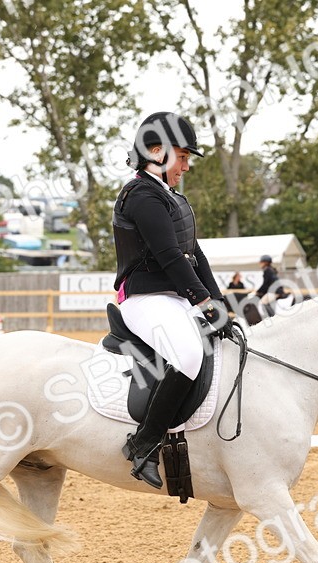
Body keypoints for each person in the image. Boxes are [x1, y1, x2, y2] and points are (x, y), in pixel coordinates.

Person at [112, 111, 230, 488]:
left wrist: (220, 303)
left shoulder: (171, 197)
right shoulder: (141, 196)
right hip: (145, 299)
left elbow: (196, 255)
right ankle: (144, 444)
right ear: (157, 152)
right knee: (190, 356)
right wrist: (202, 302)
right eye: (183, 156)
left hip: (173, 299)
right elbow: (169, 257)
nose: (187, 165)